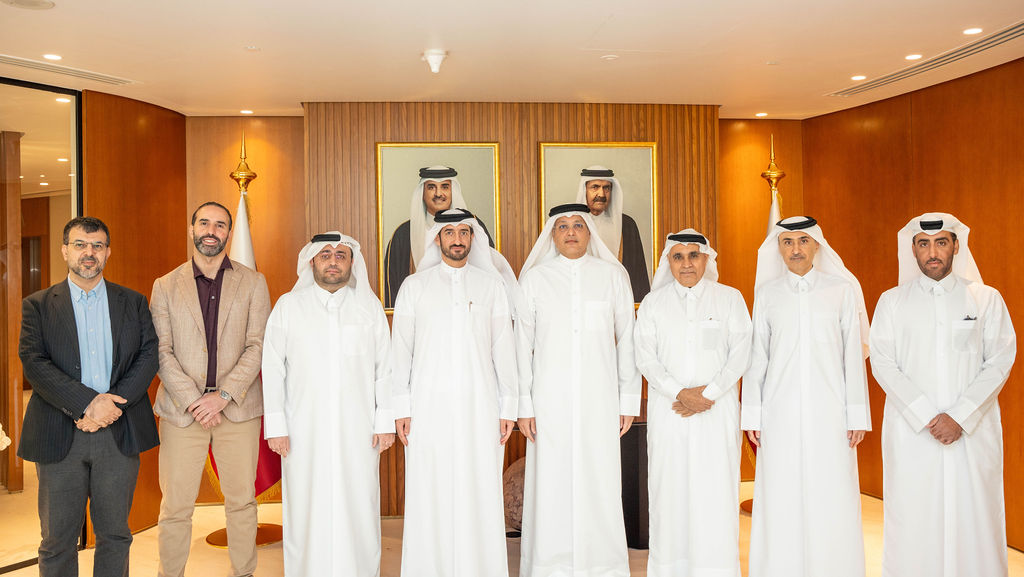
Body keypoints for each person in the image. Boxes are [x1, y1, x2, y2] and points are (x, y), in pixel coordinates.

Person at [870, 213, 1015, 577]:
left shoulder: (985, 299)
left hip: (972, 434)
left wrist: (960, 417)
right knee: (915, 516)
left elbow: (1000, 361)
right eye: (923, 244)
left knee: (974, 515)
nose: (932, 252)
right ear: (913, 250)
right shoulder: (891, 302)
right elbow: (884, 365)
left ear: (956, 246)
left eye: (940, 242)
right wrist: (928, 417)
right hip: (913, 433)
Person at [18, 216, 159, 577]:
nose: (89, 253)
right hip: (59, 433)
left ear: (108, 252)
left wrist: (110, 405)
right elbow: (34, 363)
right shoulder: (38, 305)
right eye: (80, 244)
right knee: (57, 540)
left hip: (118, 432)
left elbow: (148, 355)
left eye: (97, 246)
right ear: (65, 250)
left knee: (114, 534)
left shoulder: (133, 301)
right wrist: (88, 402)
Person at [741, 216, 871, 577]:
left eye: (802, 241)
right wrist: (752, 416)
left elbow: (851, 358)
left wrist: (857, 416)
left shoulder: (840, 291)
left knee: (833, 495)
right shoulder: (767, 294)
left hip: (832, 416)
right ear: (778, 249)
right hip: (778, 415)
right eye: (787, 242)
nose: (795, 249)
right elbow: (757, 359)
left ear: (817, 246)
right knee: (781, 497)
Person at [392, 208, 518, 577]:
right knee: (430, 490)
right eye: (450, 233)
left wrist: (507, 407)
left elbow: (503, 349)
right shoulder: (414, 287)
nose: (458, 239)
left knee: (478, 489)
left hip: (481, 408)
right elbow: (401, 351)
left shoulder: (491, 286)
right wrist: (402, 407)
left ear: (473, 238)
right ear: (438, 239)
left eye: (465, 232)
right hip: (426, 408)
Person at [516, 203, 640, 577]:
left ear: (590, 232)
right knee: (550, 482)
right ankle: (549, 564)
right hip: (547, 402)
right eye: (563, 227)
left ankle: (602, 565)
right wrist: (524, 404)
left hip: (600, 400)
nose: (571, 232)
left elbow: (628, 340)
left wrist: (628, 398)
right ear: (552, 234)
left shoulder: (612, 276)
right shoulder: (535, 280)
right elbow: (521, 344)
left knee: (599, 479)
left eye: (578, 226)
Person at [261, 232, 394, 576]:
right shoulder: (288, 307)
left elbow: (385, 369)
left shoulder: (369, 307)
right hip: (303, 431)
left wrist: (384, 423)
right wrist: (277, 427)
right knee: (307, 507)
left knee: (358, 505)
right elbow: (273, 369)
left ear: (352, 262)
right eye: (325, 254)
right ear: (312, 262)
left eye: (341, 254)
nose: (333, 260)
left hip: (359, 431)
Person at [150, 201, 271, 577]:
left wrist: (221, 396)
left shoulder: (254, 282)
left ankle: (244, 572)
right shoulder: (165, 285)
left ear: (229, 234)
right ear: (192, 229)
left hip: (237, 408)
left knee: (241, 502)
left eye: (220, 225)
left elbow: (259, 345)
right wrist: (193, 401)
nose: (211, 230)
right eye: (204, 222)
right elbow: (160, 350)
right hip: (181, 413)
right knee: (175, 507)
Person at [634, 229, 752, 577]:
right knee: (669, 490)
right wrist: (680, 393)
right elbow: (645, 357)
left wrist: (709, 394)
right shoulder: (653, 303)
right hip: (669, 412)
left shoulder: (730, 299)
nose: (686, 263)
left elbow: (741, 352)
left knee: (715, 489)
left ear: (706, 259)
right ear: (668, 261)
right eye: (678, 256)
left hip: (717, 413)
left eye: (694, 255)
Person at [382, 166, 493, 307]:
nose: (438, 193)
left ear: (453, 191)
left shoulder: (473, 227)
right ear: (422, 193)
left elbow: (488, 274)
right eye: (431, 187)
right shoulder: (403, 234)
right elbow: (392, 287)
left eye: (445, 187)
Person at [575, 166, 650, 301]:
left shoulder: (627, 225)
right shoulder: (572, 226)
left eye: (606, 188)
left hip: (619, 303)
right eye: (595, 187)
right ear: (584, 190)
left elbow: (639, 275)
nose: (602, 194)